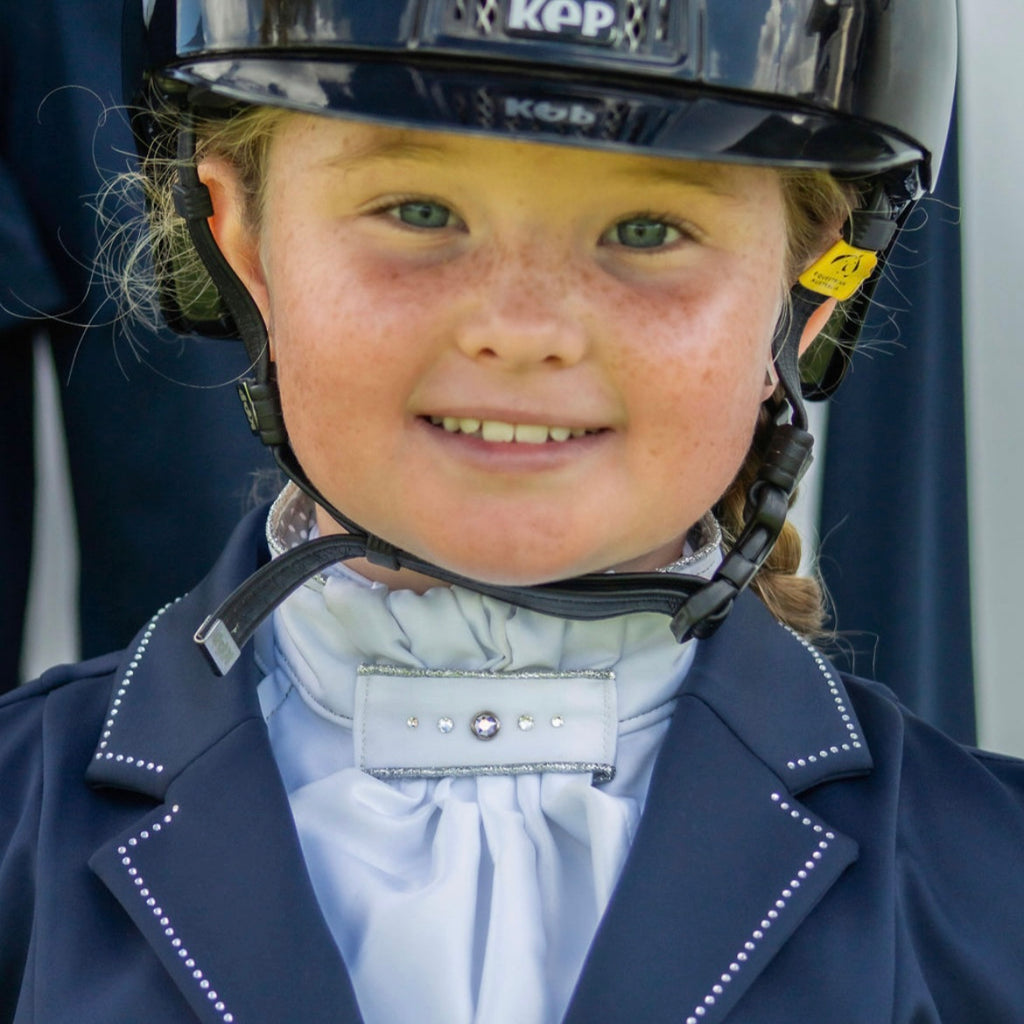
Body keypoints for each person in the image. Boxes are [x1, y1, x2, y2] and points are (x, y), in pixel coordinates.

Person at [2, 1, 1022, 1021]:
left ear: (809, 297)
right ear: (246, 248)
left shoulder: (991, 892)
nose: (523, 331)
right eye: (417, 211)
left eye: (647, 228)